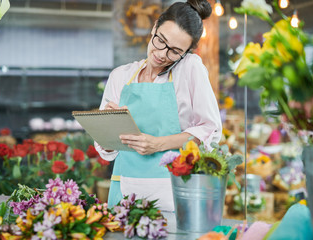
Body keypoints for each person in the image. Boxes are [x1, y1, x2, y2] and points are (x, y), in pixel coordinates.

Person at [94, 0, 222, 211]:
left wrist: (158, 144)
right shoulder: (120, 76)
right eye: (160, 40)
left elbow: (210, 131)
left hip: (172, 192)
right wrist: (111, 127)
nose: (162, 54)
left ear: (187, 52)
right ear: (154, 28)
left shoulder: (189, 68)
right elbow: (106, 149)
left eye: (175, 51)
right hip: (123, 188)